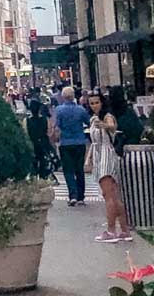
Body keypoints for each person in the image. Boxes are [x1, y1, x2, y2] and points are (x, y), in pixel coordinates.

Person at [86, 90, 132, 243]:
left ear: (102, 102)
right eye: (91, 103)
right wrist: (90, 158)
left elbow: (112, 127)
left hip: (107, 155)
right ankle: (124, 230)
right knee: (111, 195)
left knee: (109, 195)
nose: (94, 106)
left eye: (97, 102)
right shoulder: (93, 119)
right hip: (99, 155)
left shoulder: (107, 116)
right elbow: (93, 142)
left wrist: (104, 125)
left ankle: (111, 230)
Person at [54, 84, 90, 206]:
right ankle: (81, 196)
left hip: (65, 143)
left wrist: (55, 138)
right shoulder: (81, 109)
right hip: (80, 142)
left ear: (63, 97)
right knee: (79, 169)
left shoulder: (59, 110)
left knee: (68, 170)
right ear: (74, 96)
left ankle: (72, 195)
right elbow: (88, 122)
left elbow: (57, 126)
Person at [26, 98, 55, 181]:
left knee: (33, 162)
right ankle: (43, 178)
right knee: (43, 161)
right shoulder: (45, 119)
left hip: (32, 144)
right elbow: (49, 132)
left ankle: (33, 177)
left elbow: (25, 134)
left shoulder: (27, 120)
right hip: (43, 144)